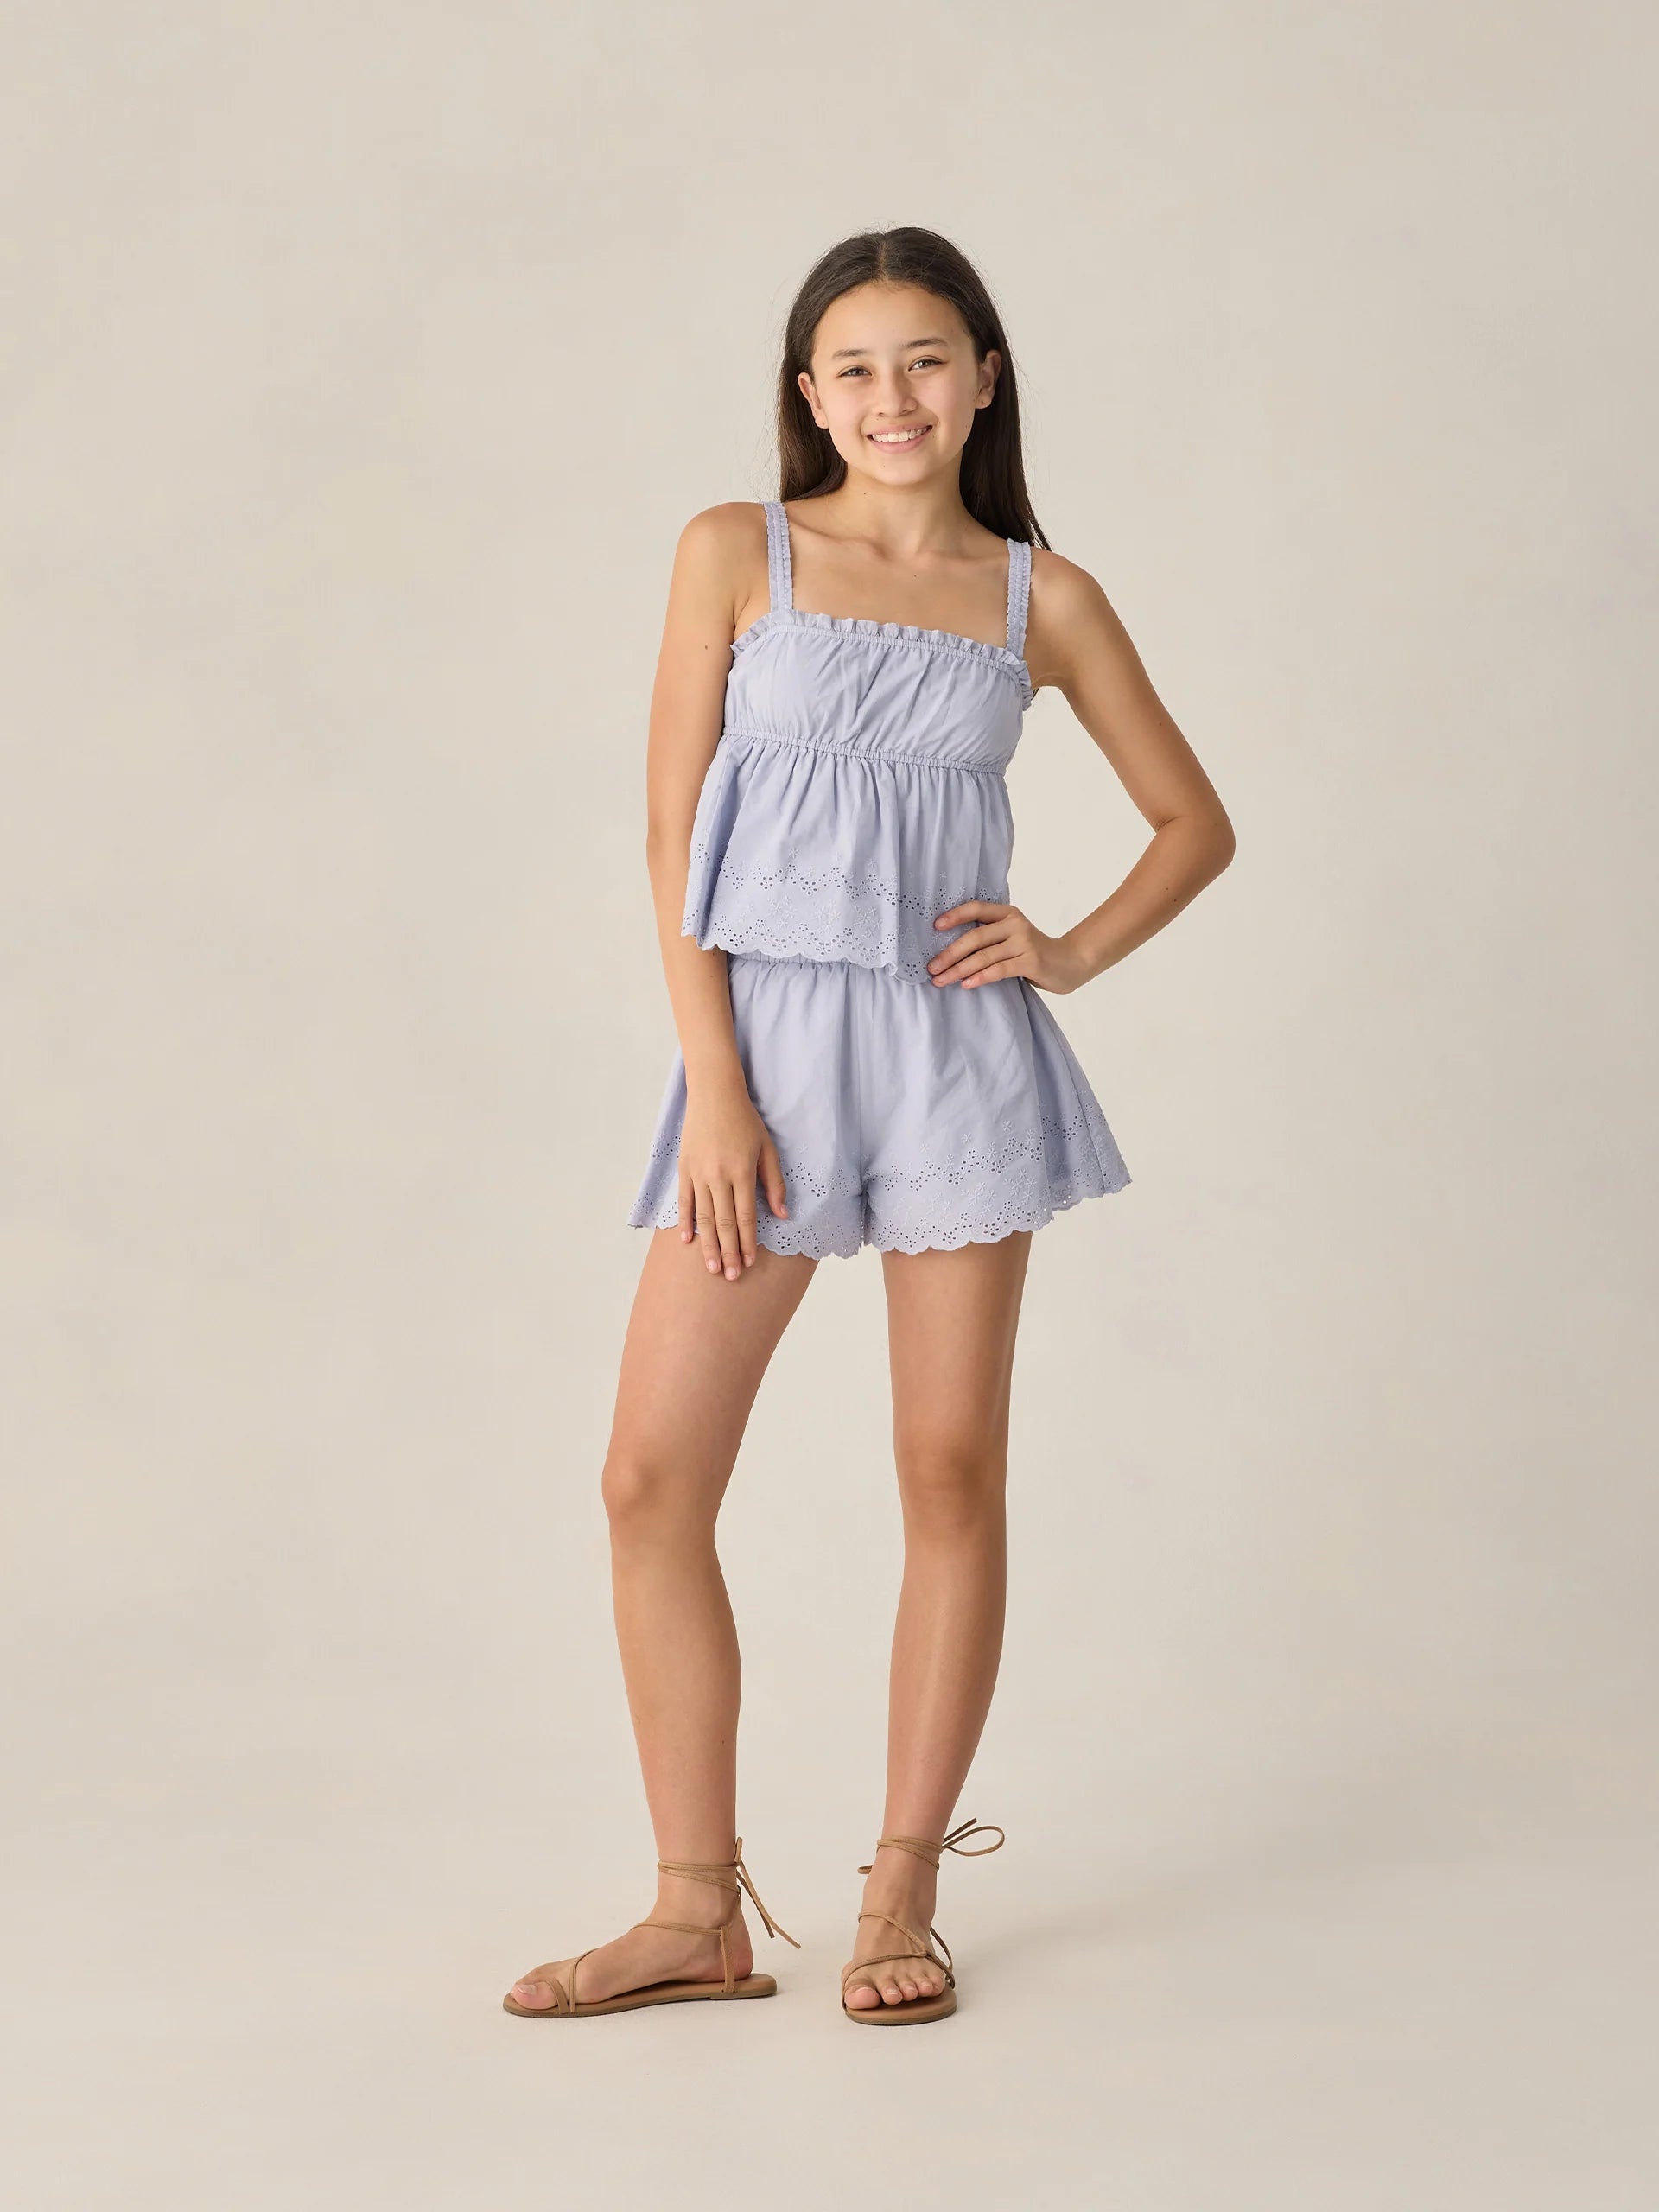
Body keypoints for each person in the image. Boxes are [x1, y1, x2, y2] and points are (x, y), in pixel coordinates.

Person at [505, 226, 1236, 2027]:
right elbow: (672, 834)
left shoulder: (1042, 599)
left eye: (924, 359)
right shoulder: (732, 551)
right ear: (808, 394)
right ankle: (695, 1910)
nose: (890, 395)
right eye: (853, 366)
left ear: (983, 377)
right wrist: (716, 1085)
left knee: (948, 1471)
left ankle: (902, 1884)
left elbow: (1193, 823)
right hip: (760, 1056)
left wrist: (1065, 950)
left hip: (955, 1057)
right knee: (649, 1480)